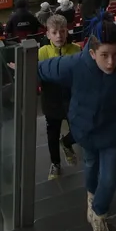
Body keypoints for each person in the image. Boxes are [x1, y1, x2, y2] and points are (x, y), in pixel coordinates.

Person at [38, 16, 116, 231]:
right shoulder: (76, 64)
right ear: (92, 53)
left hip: (114, 133)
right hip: (86, 132)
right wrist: (21, 65)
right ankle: (91, 198)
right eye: (104, 55)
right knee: (90, 167)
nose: (111, 62)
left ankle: (99, 215)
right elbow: (46, 68)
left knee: (110, 180)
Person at [38, 15, 80, 179]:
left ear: (67, 31)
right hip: (51, 100)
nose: (58, 36)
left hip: (72, 99)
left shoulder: (76, 49)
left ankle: (67, 142)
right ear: (48, 34)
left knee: (78, 130)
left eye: (62, 31)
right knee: (52, 134)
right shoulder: (42, 52)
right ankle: (55, 163)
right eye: (54, 32)